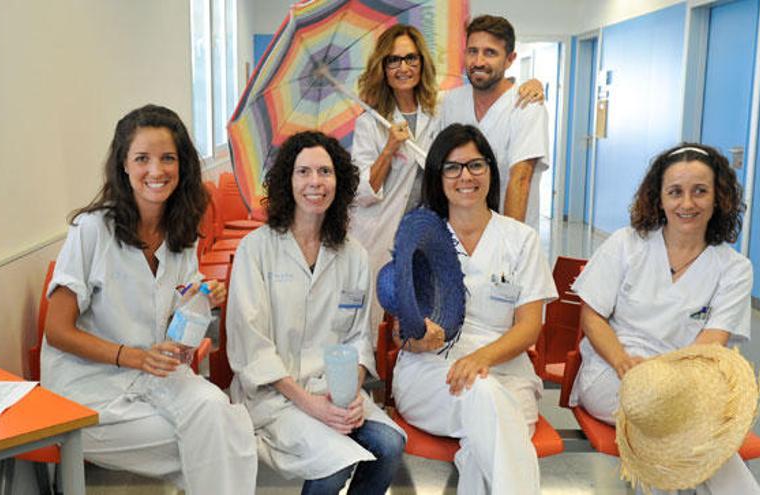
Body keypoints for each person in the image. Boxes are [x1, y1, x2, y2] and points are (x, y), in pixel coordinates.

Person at [41, 104, 257, 495]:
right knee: (228, 442)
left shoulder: (181, 235)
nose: (156, 171)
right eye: (142, 158)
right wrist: (133, 356)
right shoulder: (91, 231)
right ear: (123, 165)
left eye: (168, 159)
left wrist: (200, 301)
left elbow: (179, 335)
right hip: (90, 388)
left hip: (156, 377)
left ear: (183, 166)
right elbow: (56, 330)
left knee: (218, 415)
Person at [569, 143, 760, 494]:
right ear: (658, 198)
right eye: (675, 192)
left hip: (686, 380)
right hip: (615, 375)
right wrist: (625, 363)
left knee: (684, 426)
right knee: (680, 425)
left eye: (699, 191)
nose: (687, 204)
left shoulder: (734, 268)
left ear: (719, 198)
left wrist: (666, 375)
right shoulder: (626, 244)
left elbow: (712, 343)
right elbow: (592, 316)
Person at [226, 130, 405, 494]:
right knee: (334, 463)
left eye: (325, 172)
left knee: (390, 445)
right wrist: (311, 405)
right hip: (276, 396)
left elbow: (358, 337)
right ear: (286, 182)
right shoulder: (256, 250)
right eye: (303, 172)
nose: (315, 182)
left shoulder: (353, 254)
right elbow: (251, 343)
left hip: (333, 393)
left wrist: (351, 394)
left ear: (339, 181)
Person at [391, 124, 557, 494]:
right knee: (488, 402)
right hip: (430, 374)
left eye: (475, 165)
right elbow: (399, 331)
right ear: (438, 176)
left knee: (482, 440)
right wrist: (417, 340)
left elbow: (529, 328)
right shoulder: (420, 237)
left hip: (507, 368)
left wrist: (481, 357)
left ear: (490, 172)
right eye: (452, 167)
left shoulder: (520, 239)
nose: (465, 176)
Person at [351, 23, 544, 342]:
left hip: (425, 228)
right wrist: (388, 148)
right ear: (382, 67)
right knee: (379, 308)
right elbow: (362, 191)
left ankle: (409, 361)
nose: (404, 68)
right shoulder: (370, 121)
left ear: (422, 63)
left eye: (411, 58)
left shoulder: (439, 108)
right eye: (394, 60)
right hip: (379, 227)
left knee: (420, 306)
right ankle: (383, 373)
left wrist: (531, 83)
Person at [437, 15, 550, 229]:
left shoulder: (527, 106)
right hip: (459, 233)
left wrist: (507, 244)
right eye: (472, 51)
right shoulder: (451, 101)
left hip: (510, 234)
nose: (478, 62)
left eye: (490, 52)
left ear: (510, 59)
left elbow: (520, 179)